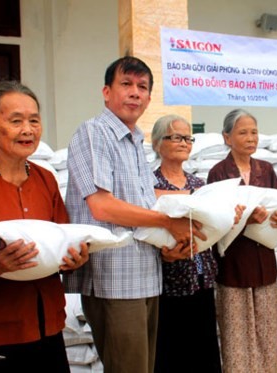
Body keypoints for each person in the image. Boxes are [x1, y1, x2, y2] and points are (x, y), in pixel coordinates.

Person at [63, 56, 205, 373]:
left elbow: (145, 200)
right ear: (106, 91)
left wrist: (208, 203)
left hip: (146, 275)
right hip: (114, 279)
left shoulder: (135, 142)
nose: (134, 93)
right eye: (126, 84)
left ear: (149, 98)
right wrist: (169, 222)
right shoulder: (94, 132)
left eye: (142, 87)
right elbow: (102, 205)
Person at [0, 80, 89, 372]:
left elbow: (61, 236)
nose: (28, 129)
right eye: (16, 121)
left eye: (34, 120)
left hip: (47, 325)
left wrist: (73, 259)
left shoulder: (46, 179)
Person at [207, 108, 277, 373]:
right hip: (233, 265)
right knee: (237, 333)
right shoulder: (219, 173)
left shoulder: (266, 170)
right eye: (242, 132)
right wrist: (245, 221)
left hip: (264, 262)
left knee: (267, 330)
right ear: (227, 137)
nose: (250, 137)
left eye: (254, 132)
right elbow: (214, 221)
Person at [150, 114, 222, 373]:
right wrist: (166, 255)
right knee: (172, 352)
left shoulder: (199, 184)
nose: (183, 142)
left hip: (202, 279)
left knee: (204, 351)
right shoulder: (149, 185)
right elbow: (145, 229)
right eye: (175, 137)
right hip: (170, 283)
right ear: (158, 143)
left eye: (187, 138)